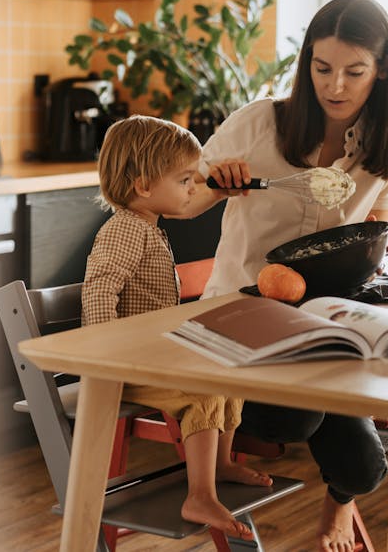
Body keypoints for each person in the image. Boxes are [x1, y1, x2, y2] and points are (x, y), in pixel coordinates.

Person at [200, 0, 388, 552]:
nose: (336, 86)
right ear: (307, 64)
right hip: (240, 319)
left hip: (321, 322)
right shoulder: (259, 124)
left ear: (383, 67)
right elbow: (180, 199)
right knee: (293, 422)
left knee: (367, 468)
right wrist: (211, 184)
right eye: (322, 69)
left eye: (354, 71)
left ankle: (336, 510)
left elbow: (371, 242)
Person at [81, 114, 267, 540]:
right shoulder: (126, 231)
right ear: (144, 186)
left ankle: (219, 465)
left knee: (226, 374)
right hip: (126, 368)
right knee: (203, 388)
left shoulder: (146, 228)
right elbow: (98, 289)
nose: (191, 188)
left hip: (149, 359)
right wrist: (104, 355)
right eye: (184, 179)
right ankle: (199, 492)